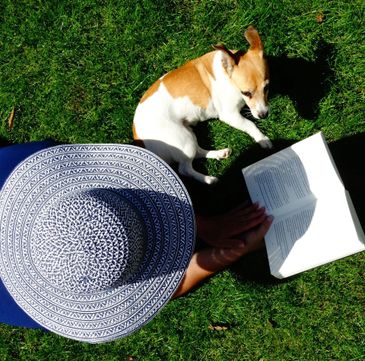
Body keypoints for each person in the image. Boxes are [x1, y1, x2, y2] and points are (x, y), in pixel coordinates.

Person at [0, 141, 272, 343]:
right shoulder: (21, 307)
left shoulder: (23, 160)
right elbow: (166, 287)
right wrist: (225, 254)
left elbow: (120, 181)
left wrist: (205, 225)